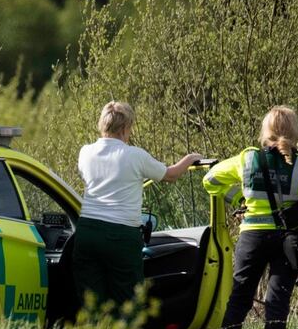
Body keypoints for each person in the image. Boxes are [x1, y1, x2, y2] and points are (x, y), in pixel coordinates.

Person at [203, 105, 298, 329]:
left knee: (239, 299)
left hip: (252, 238)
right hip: (288, 240)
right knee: (278, 303)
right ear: (295, 132)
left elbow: (210, 180)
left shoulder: (248, 158)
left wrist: (238, 202)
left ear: (265, 131)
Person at [73, 101, 202, 317]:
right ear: (125, 128)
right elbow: (170, 175)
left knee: (91, 302)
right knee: (128, 301)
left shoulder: (85, 152)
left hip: (87, 232)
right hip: (121, 236)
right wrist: (190, 159)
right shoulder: (134, 155)